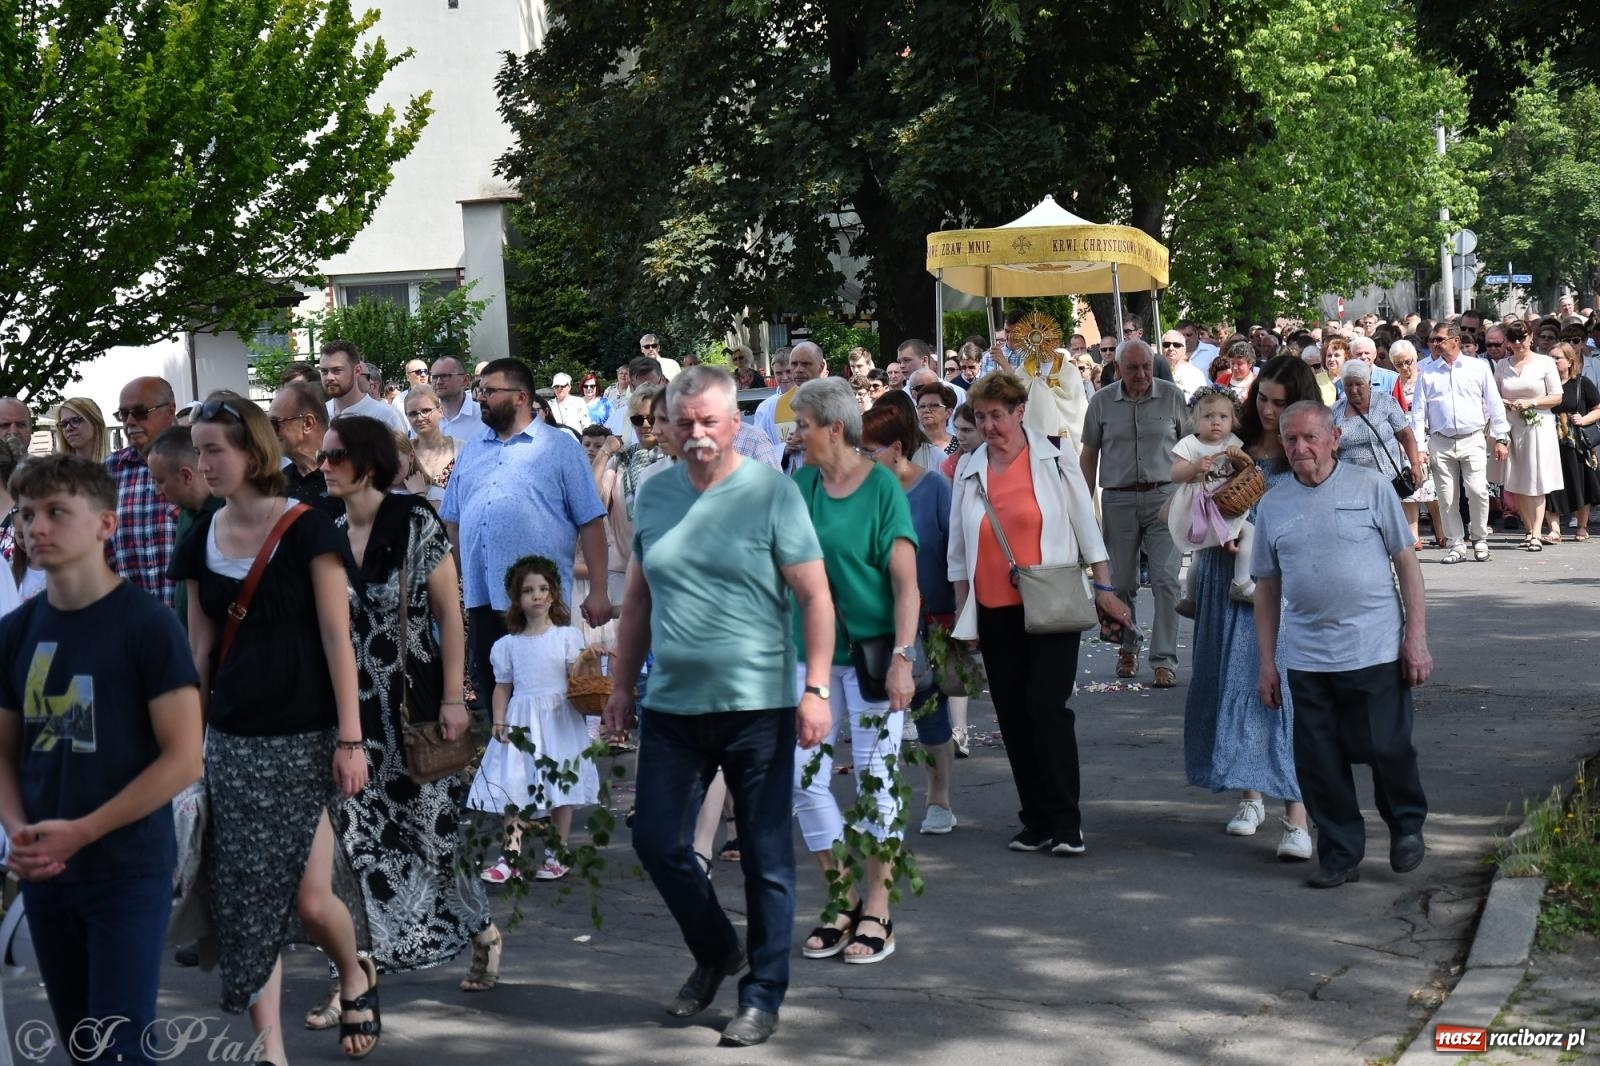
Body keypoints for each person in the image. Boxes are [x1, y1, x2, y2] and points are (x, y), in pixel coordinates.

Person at [602, 364, 834, 1049]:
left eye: (710, 421)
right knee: (655, 841)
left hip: (757, 703)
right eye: (684, 422)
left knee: (765, 857)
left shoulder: (770, 492)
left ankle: (761, 994)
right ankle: (715, 949)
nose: (697, 434)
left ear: (735, 424)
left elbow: (815, 597)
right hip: (672, 703)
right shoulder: (656, 493)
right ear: (666, 426)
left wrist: (815, 688)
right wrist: (619, 686)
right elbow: (637, 599)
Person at [167, 393, 377, 1061]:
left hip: (306, 736)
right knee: (247, 901)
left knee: (313, 904)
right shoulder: (199, 536)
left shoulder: (310, 527)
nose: (203, 464)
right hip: (230, 740)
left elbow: (336, 639)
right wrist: (188, 747)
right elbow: (198, 652)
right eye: (197, 452)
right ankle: (270, 1052)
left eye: (213, 450)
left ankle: (354, 973)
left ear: (253, 451)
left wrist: (351, 739)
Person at [0, 456, 203, 1066]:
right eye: (27, 513)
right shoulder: (15, 632)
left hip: (126, 868)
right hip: (46, 873)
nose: (37, 527)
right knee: (79, 1044)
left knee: (119, 1046)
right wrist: (19, 832)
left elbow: (183, 759)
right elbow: (4, 754)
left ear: (106, 525)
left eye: (57, 512)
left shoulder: (147, 625)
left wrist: (81, 832)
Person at [309, 416, 500, 1007]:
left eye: (335, 455)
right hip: (355, 715)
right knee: (360, 841)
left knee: (432, 839)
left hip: (414, 704)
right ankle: (357, 976)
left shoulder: (414, 520)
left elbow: (451, 615)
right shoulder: (329, 528)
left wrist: (453, 698)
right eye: (323, 455)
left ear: (366, 461)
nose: (324, 465)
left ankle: (483, 930)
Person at [949, 372, 1130, 854]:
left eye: (996, 415)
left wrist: (1104, 585)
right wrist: (961, 611)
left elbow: (1085, 526)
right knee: (1011, 715)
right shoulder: (968, 468)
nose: (988, 425)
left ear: (1019, 412)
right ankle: (1036, 819)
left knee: (1046, 708)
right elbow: (956, 553)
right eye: (980, 416)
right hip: (993, 608)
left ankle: (1067, 821)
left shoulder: (1053, 455)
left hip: (1050, 601)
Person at [1255, 402, 1432, 889]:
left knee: (1387, 747)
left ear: (1334, 437)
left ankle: (1406, 828)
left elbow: (1407, 566)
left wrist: (1414, 639)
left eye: (1310, 437)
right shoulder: (1272, 505)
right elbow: (1266, 590)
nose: (1300, 448)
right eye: (1290, 440)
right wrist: (1268, 663)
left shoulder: (1371, 487)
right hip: (1307, 658)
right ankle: (1339, 851)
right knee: (1319, 761)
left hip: (1374, 649)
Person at [786, 378, 919, 965]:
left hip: (871, 657)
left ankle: (878, 909)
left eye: (802, 424)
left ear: (834, 429)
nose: (795, 434)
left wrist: (902, 659)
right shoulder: (802, 483)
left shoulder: (883, 487)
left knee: (875, 784)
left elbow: (906, 585)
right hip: (809, 657)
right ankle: (841, 895)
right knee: (801, 778)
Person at [1183, 357, 1316, 860]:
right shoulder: (1231, 445)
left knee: (1279, 691)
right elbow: (1194, 499)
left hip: (1281, 585)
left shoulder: (1304, 449)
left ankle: (1297, 815)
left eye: (1279, 402)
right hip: (1227, 577)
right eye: (1262, 397)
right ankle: (1248, 795)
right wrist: (1215, 524)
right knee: (1229, 681)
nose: (1266, 409)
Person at [440, 357, 610, 717]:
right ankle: (508, 773)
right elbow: (453, 520)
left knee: (549, 708)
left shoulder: (559, 448)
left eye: (489, 391)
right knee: (498, 709)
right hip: (483, 602)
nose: (481, 398)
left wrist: (598, 591)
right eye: (479, 391)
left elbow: (591, 522)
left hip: (541, 607)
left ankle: (554, 773)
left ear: (520, 397)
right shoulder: (472, 450)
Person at [466, 555, 597, 883]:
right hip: (522, 720)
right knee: (515, 786)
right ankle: (509, 856)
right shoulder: (508, 645)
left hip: (559, 720)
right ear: (517, 599)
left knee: (560, 786)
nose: (537, 595)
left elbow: (576, 677)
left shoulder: (566, 637)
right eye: (528, 590)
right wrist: (499, 719)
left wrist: (586, 679)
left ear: (553, 593)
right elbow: (502, 687)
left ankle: (557, 852)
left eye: (543, 588)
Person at [859, 405, 959, 834]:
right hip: (877, 620)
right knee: (876, 712)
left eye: (869, 450)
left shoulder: (934, 488)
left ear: (897, 448)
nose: (860, 458)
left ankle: (940, 799)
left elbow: (956, 555)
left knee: (929, 707)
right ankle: (880, 803)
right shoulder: (860, 491)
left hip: (934, 618)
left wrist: (959, 618)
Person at [1079, 339, 1189, 687]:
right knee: (1120, 582)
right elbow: (1089, 455)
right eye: (1133, 368)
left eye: (1146, 367)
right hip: (1118, 499)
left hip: (1164, 498)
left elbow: (1189, 447)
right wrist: (1081, 505)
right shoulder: (1101, 402)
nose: (1141, 374)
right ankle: (1127, 647)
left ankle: (1165, 660)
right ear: (1118, 369)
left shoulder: (1172, 396)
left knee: (1166, 580)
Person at [1415, 322, 1510, 564]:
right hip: (1440, 441)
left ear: (1455, 341)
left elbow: (1494, 404)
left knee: (1477, 490)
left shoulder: (1477, 368)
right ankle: (1456, 543)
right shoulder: (1426, 372)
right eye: (1433, 340)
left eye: (1440, 339)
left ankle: (1479, 539)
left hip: (1472, 437)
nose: (1435, 344)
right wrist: (1419, 447)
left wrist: (1501, 437)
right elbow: (1418, 412)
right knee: (1447, 497)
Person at [1168, 388, 1256, 616]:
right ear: (1195, 421)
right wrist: (1193, 468)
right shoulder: (1189, 444)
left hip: (1227, 504)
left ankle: (1240, 580)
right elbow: (1175, 474)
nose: (1215, 422)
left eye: (1223, 417)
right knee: (1200, 551)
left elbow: (1246, 468)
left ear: (1232, 421)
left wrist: (1238, 457)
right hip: (1200, 507)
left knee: (1248, 532)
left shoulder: (1232, 442)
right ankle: (1196, 595)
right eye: (1208, 417)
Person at [108, 376, 180, 606]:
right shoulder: (109, 470)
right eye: (123, 414)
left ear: (170, 411)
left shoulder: (199, 461)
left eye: (140, 412)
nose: (130, 421)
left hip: (191, 625)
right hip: (131, 624)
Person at [146, 427, 224, 631]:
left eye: (160, 481)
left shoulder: (226, 515)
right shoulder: (186, 514)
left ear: (186, 475)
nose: (157, 491)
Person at [1494, 323, 1564, 550]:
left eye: (1521, 338)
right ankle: (1527, 528)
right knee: (1516, 480)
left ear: (1530, 337)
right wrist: (1505, 403)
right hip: (1512, 425)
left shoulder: (1544, 363)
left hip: (1539, 425)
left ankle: (1536, 533)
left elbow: (1556, 397)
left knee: (1536, 479)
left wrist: (1531, 402)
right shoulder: (1502, 365)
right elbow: (1494, 397)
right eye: (1512, 339)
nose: (1517, 343)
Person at [1332, 361, 1423, 499]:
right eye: (1348, 385)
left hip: (1388, 481)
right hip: (1350, 485)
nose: (1353, 389)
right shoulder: (1335, 411)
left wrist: (1415, 465)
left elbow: (1406, 435)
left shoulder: (1385, 402)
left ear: (1369, 383)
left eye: (1358, 384)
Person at [1391, 340, 1445, 548]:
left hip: (1428, 434)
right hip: (1404, 437)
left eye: (1408, 362)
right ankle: (1413, 535)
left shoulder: (1427, 377)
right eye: (1398, 364)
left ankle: (1441, 531)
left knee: (1433, 489)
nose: (1405, 367)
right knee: (1410, 488)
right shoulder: (1394, 383)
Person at [1546, 344, 1600, 540]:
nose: (1553, 362)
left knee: (1580, 483)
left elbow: (1598, 408)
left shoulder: (1581, 383)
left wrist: (1584, 419)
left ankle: (1582, 526)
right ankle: (1554, 529)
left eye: (1557, 358)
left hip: (1575, 442)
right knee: (1550, 485)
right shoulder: (1544, 385)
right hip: (1548, 441)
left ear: (1569, 361)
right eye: (1550, 357)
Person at [268, 379, 344, 517]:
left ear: (308, 423)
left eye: (275, 423)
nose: (269, 432)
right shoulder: (278, 483)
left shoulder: (346, 476)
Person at [752, 341, 828, 471]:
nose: (785, 377)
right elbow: (758, 450)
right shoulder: (770, 407)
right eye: (779, 373)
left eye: (805, 364)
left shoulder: (832, 399)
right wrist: (785, 449)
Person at [318, 339, 408, 434]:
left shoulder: (386, 417)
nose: (329, 377)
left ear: (357, 371)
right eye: (324, 371)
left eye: (337, 370)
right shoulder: (319, 415)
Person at [403, 383, 461, 506]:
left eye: (426, 411)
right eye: (413, 413)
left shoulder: (462, 449)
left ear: (440, 411)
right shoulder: (404, 453)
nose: (420, 418)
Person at [428, 356, 482, 443]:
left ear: (465, 380)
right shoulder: (425, 418)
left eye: (445, 376)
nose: (438, 382)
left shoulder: (483, 417)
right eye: (434, 377)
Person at [1161, 330, 1209, 400]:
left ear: (1184, 350)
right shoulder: (1153, 372)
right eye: (1166, 345)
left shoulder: (1196, 375)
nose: (1171, 348)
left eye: (1176, 345)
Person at [914, 381, 959, 456]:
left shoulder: (960, 447)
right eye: (922, 406)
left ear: (948, 412)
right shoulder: (910, 445)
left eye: (934, 405)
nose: (926, 410)